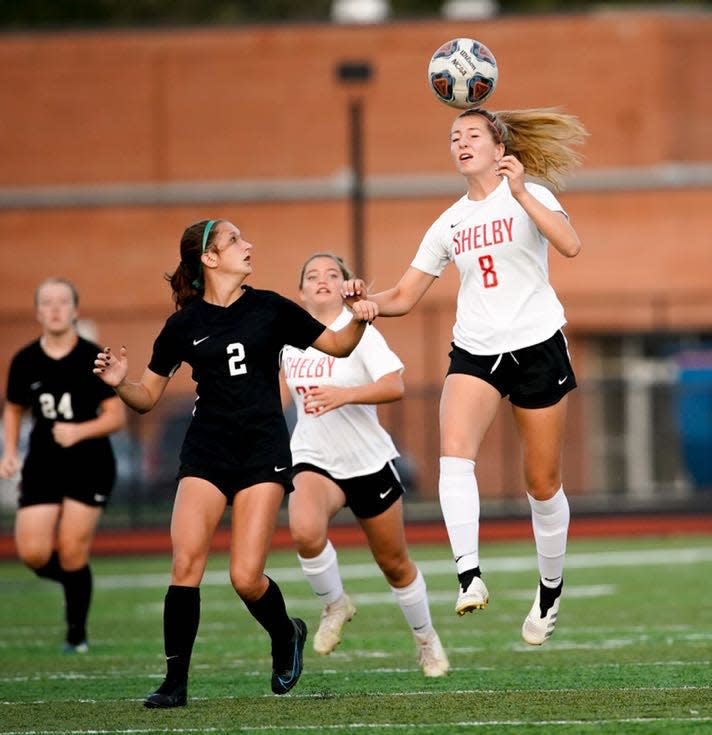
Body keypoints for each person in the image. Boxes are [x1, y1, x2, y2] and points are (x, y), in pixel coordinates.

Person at [93, 219, 378, 708]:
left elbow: (339, 345)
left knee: (246, 577)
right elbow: (145, 397)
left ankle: (286, 633)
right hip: (207, 449)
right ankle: (174, 684)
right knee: (185, 564)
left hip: (261, 449)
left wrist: (359, 316)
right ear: (209, 259)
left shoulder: (269, 307)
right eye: (234, 241)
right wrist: (121, 382)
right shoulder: (183, 325)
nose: (247, 245)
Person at [345, 107, 588, 646]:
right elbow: (405, 296)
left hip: (538, 344)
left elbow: (570, 246)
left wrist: (523, 192)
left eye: (472, 134)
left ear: (498, 145)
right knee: (454, 455)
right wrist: (367, 305)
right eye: (454, 136)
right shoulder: (449, 221)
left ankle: (550, 589)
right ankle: (468, 574)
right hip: (476, 351)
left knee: (542, 483)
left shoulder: (532, 195)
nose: (461, 142)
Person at [281, 253, 450, 678]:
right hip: (312, 457)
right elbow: (277, 398)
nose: (321, 280)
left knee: (394, 563)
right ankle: (335, 604)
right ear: (300, 292)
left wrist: (344, 395)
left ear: (345, 286)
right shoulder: (286, 341)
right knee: (303, 530)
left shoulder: (359, 331)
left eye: (332, 274)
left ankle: (426, 640)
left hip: (367, 461)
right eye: (312, 275)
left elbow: (395, 386)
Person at [0, 277, 126, 653]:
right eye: (47, 303)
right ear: (38, 311)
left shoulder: (93, 356)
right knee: (34, 552)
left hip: (90, 463)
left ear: (74, 309)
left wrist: (79, 430)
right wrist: (9, 452)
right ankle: (76, 581)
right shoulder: (25, 360)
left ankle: (77, 634)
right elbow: (14, 407)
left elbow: (115, 416)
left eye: (62, 302)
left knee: (72, 549)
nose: (55, 309)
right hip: (43, 463)